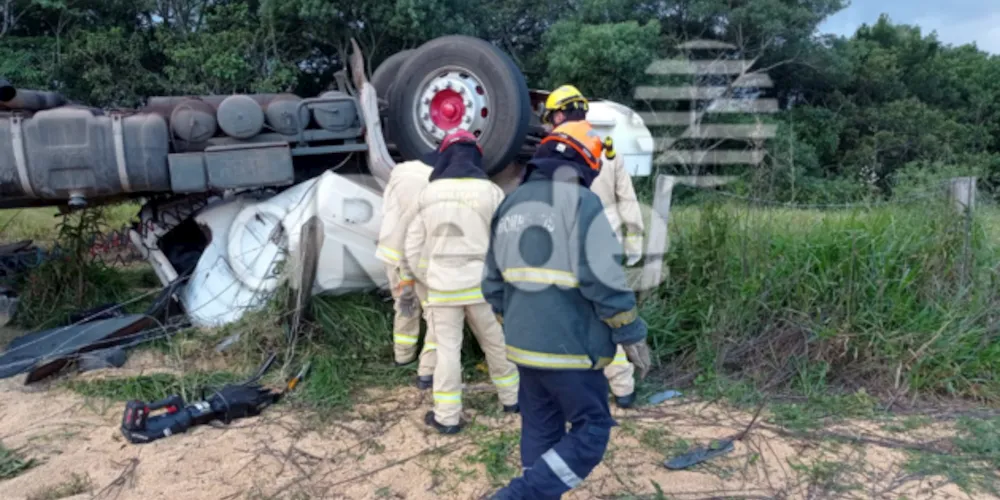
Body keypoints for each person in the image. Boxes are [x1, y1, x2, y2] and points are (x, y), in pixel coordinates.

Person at [482, 120, 652, 499]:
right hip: (572, 349)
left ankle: (535, 492)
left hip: (523, 349)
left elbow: (491, 284)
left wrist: (518, 323)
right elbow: (604, 281)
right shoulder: (583, 203)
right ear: (584, 166)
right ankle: (520, 496)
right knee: (592, 429)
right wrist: (632, 334)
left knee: (541, 429)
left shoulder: (511, 201)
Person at [398, 130, 520, 434]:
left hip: (443, 289)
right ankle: (512, 399)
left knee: (447, 350)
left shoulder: (429, 194)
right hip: (482, 288)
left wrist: (429, 278)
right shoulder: (491, 192)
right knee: (496, 342)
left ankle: (448, 416)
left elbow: (411, 246)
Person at [541, 84, 646, 409]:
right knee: (607, 316)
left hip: (568, 244)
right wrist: (634, 238)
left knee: (563, 314)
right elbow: (625, 195)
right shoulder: (606, 146)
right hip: (606, 243)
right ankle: (624, 389)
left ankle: (571, 388)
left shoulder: (551, 149)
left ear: (559, 114)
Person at [375, 158, 437, 389]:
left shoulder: (397, 176)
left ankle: (403, 357)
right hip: (417, 256)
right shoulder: (434, 183)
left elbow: (387, 213)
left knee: (405, 305)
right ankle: (428, 371)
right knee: (434, 310)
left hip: (392, 254)